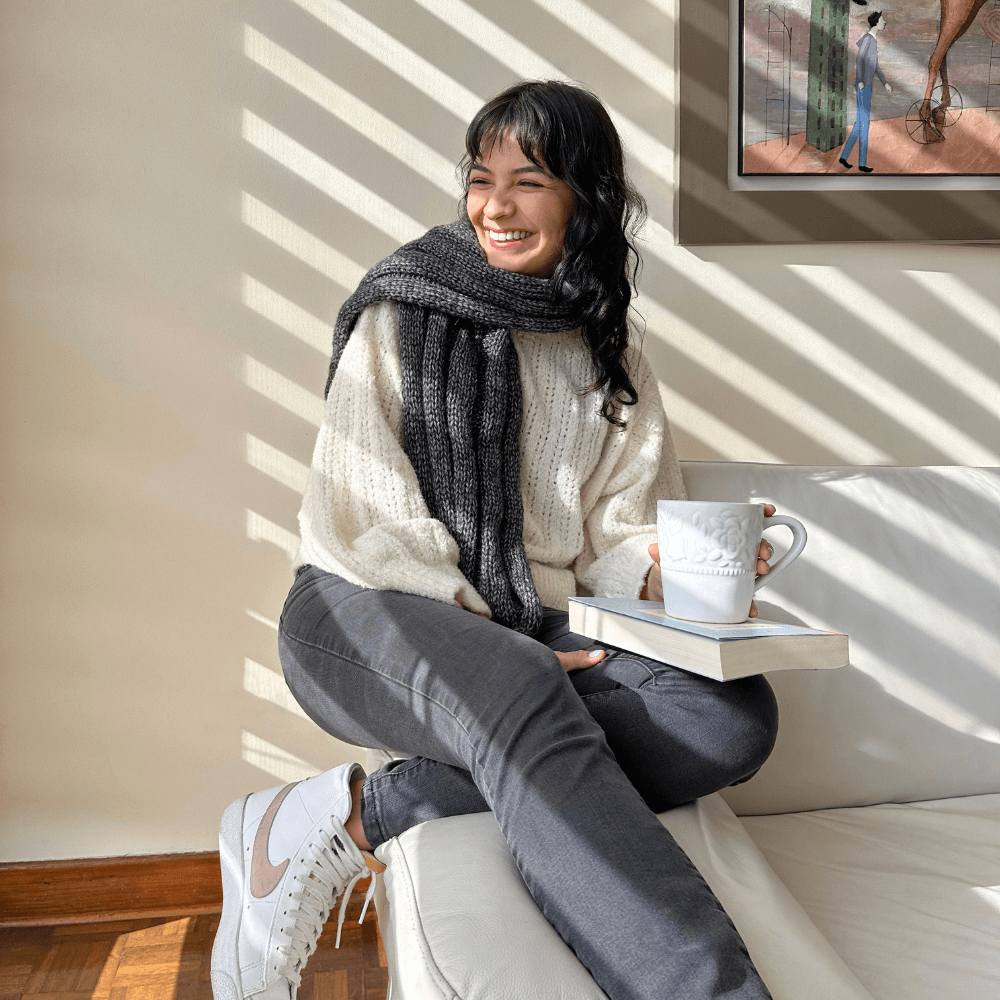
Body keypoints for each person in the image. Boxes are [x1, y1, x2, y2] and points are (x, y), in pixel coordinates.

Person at [211, 81, 781, 1000]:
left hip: (530, 623)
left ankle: (351, 813)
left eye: (531, 181)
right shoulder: (404, 309)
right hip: (359, 609)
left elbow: (618, 535)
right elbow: (364, 520)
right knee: (515, 682)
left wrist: (666, 566)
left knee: (727, 716)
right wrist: (492, 647)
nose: (496, 206)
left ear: (585, 197)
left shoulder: (610, 349)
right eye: (483, 179)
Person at [839, 11, 893, 173]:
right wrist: (860, 80)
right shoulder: (869, 40)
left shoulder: (872, 41)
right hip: (864, 87)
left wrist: (885, 83)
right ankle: (862, 164)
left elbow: (874, 66)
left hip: (866, 86)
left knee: (859, 124)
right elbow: (859, 58)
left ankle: (844, 157)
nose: (885, 22)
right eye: (883, 20)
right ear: (876, 23)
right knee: (865, 124)